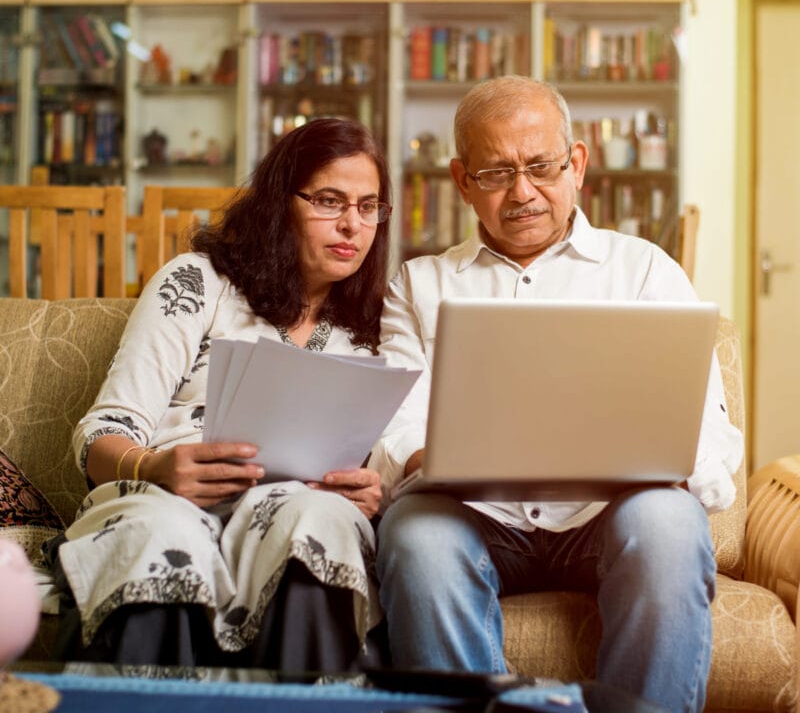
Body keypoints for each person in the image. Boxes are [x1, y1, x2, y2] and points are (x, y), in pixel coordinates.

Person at [368, 76, 743, 712]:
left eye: (541, 166)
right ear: (462, 181)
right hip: (475, 517)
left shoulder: (646, 271)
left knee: (668, 523)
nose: (523, 192)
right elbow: (392, 423)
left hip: (608, 516)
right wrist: (425, 458)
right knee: (416, 535)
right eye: (496, 173)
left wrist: (669, 463)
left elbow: (709, 433)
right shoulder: (419, 283)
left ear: (577, 164)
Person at [48, 117, 393, 672]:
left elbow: (386, 459)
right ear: (282, 202)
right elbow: (101, 433)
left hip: (297, 508)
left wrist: (374, 491)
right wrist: (156, 467)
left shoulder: (379, 324)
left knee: (322, 522)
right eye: (330, 201)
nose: (352, 224)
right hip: (172, 497)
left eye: (368, 206)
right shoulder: (199, 281)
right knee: (161, 531)